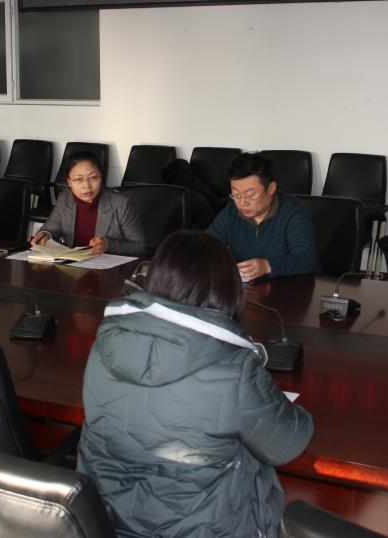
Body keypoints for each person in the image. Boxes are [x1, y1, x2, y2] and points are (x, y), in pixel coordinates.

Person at [77, 231, 314, 537]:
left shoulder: (105, 345)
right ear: (226, 289)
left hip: (109, 523)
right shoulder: (235, 366)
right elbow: (287, 444)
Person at [208, 152, 317, 281]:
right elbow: (207, 246)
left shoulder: (294, 211)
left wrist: (267, 266)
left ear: (271, 189)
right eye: (236, 194)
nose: (242, 202)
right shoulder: (230, 213)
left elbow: (305, 258)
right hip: (248, 287)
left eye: (250, 195)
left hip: (293, 286)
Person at [29, 150, 145, 256]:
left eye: (93, 178)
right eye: (78, 179)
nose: (86, 186)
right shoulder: (65, 198)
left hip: (105, 267)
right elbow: (50, 229)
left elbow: (139, 247)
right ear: (69, 182)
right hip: (71, 265)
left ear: (101, 177)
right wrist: (45, 235)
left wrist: (108, 244)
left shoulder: (121, 204)